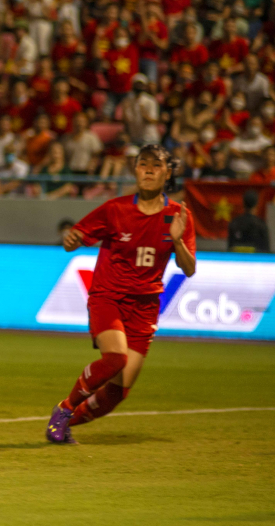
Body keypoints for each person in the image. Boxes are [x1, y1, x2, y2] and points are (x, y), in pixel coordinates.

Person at [46, 144, 196, 444]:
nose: (149, 169)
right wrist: (72, 239)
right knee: (115, 359)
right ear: (135, 170)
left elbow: (188, 268)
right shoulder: (115, 210)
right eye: (143, 164)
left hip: (145, 306)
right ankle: (62, 410)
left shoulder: (179, 216)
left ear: (168, 173)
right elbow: (72, 240)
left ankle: (62, 426)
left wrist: (178, 242)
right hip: (108, 296)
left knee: (118, 392)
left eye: (156, 165)